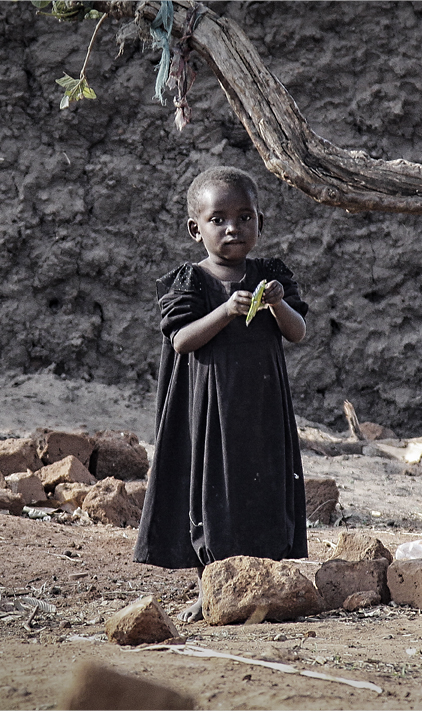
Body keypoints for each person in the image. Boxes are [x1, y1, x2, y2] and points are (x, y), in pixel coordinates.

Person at [134, 166, 309, 622]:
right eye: (219, 219)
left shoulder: (270, 278)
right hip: (208, 414)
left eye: (245, 217)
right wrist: (226, 311)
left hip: (261, 411)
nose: (233, 227)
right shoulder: (190, 282)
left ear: (259, 223)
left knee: (265, 489)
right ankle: (209, 589)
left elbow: (298, 332)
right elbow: (181, 340)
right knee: (208, 496)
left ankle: (266, 586)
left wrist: (277, 303)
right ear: (197, 229)